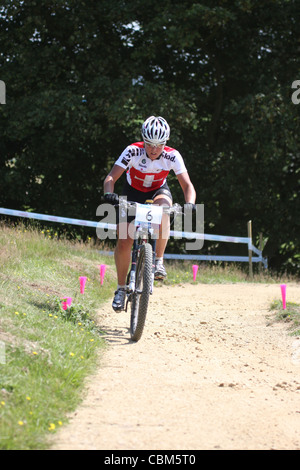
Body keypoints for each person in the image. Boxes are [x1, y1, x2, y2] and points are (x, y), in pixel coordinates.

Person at [103, 116, 196, 312]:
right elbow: (111, 177)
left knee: (164, 211)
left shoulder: (173, 156)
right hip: (132, 192)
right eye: (149, 144)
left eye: (159, 145)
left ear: (166, 143)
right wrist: (109, 193)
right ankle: (120, 289)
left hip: (158, 191)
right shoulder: (132, 151)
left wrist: (190, 203)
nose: (154, 149)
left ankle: (159, 261)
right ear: (143, 141)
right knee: (124, 240)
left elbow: (188, 186)